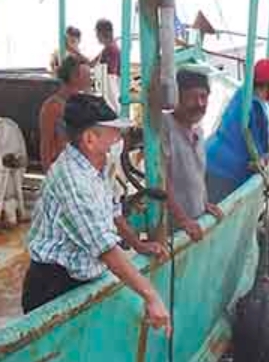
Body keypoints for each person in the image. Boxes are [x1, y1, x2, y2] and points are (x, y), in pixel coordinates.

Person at [23, 94, 171, 331]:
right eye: (113, 132)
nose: (119, 139)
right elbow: (105, 249)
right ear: (90, 139)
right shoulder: (72, 180)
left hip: (82, 278)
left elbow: (113, 210)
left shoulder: (97, 165)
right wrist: (151, 297)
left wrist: (137, 244)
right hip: (53, 286)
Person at [205, 58, 269, 202]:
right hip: (226, 171)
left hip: (210, 157)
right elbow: (257, 156)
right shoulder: (256, 107)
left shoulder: (242, 93)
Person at [163, 68, 225, 241]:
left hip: (195, 222)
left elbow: (196, 176)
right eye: (192, 97)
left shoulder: (198, 130)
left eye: (203, 97)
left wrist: (204, 204)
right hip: (173, 229)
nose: (199, 103)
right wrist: (183, 220)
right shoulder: (164, 128)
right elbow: (162, 180)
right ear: (177, 98)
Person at [39, 52, 94, 169]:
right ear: (74, 77)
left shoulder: (83, 102)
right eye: (87, 75)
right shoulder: (53, 106)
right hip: (63, 168)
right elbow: (46, 145)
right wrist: (49, 175)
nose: (90, 80)